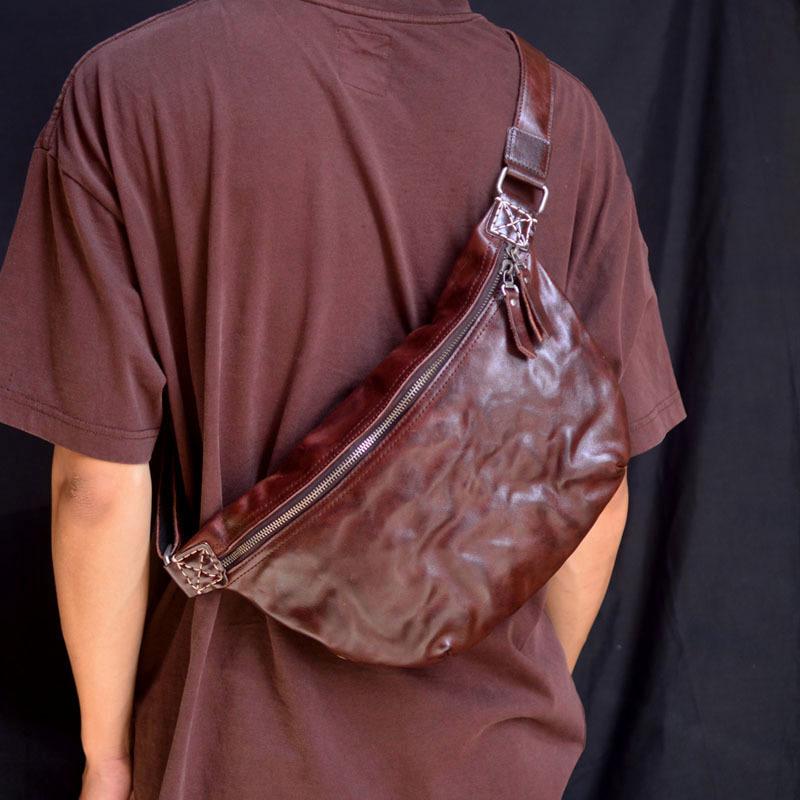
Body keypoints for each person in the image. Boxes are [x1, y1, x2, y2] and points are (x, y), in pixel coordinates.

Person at [0, 0, 687, 797]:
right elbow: (595, 489)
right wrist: (511, 690)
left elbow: (97, 488)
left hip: (227, 753)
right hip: (497, 761)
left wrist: (108, 758)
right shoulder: (568, 121)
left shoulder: (129, 88)